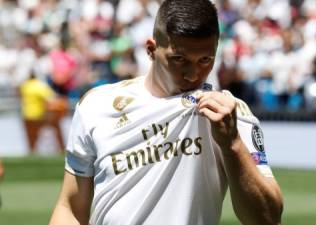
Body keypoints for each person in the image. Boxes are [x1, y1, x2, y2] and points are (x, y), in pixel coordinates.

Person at [49, 0, 283, 225]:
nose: (193, 74)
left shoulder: (228, 113)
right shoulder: (96, 106)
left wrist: (231, 144)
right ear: (151, 49)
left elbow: (268, 219)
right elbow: (70, 208)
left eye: (205, 60)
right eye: (179, 59)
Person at [20, 74, 66, 153]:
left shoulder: (25, 86)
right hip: (38, 115)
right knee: (55, 130)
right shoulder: (40, 85)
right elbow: (51, 99)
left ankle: (32, 153)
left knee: (31, 138)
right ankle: (61, 148)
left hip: (26, 114)